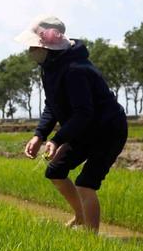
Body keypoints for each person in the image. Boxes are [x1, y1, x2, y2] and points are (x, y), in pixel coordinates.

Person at [15, 15, 128, 233]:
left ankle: (91, 239)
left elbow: (83, 113)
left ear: (48, 47)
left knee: (86, 183)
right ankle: (79, 216)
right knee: (55, 171)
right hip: (84, 129)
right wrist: (40, 135)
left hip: (107, 131)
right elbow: (52, 105)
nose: (29, 51)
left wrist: (57, 140)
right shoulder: (50, 68)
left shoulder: (76, 70)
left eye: (32, 47)